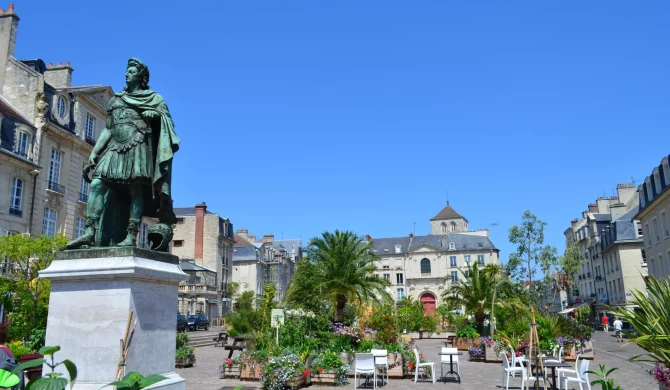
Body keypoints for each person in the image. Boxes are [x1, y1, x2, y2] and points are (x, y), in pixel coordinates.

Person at [66, 58, 180, 249]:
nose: (127, 74)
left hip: (138, 145)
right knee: (97, 183)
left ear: (141, 77)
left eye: (131, 71)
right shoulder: (116, 99)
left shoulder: (154, 99)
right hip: (114, 147)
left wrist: (156, 117)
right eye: (127, 71)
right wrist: (95, 152)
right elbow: (108, 129)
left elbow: (168, 125)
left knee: (136, 190)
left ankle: (131, 235)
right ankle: (89, 232)